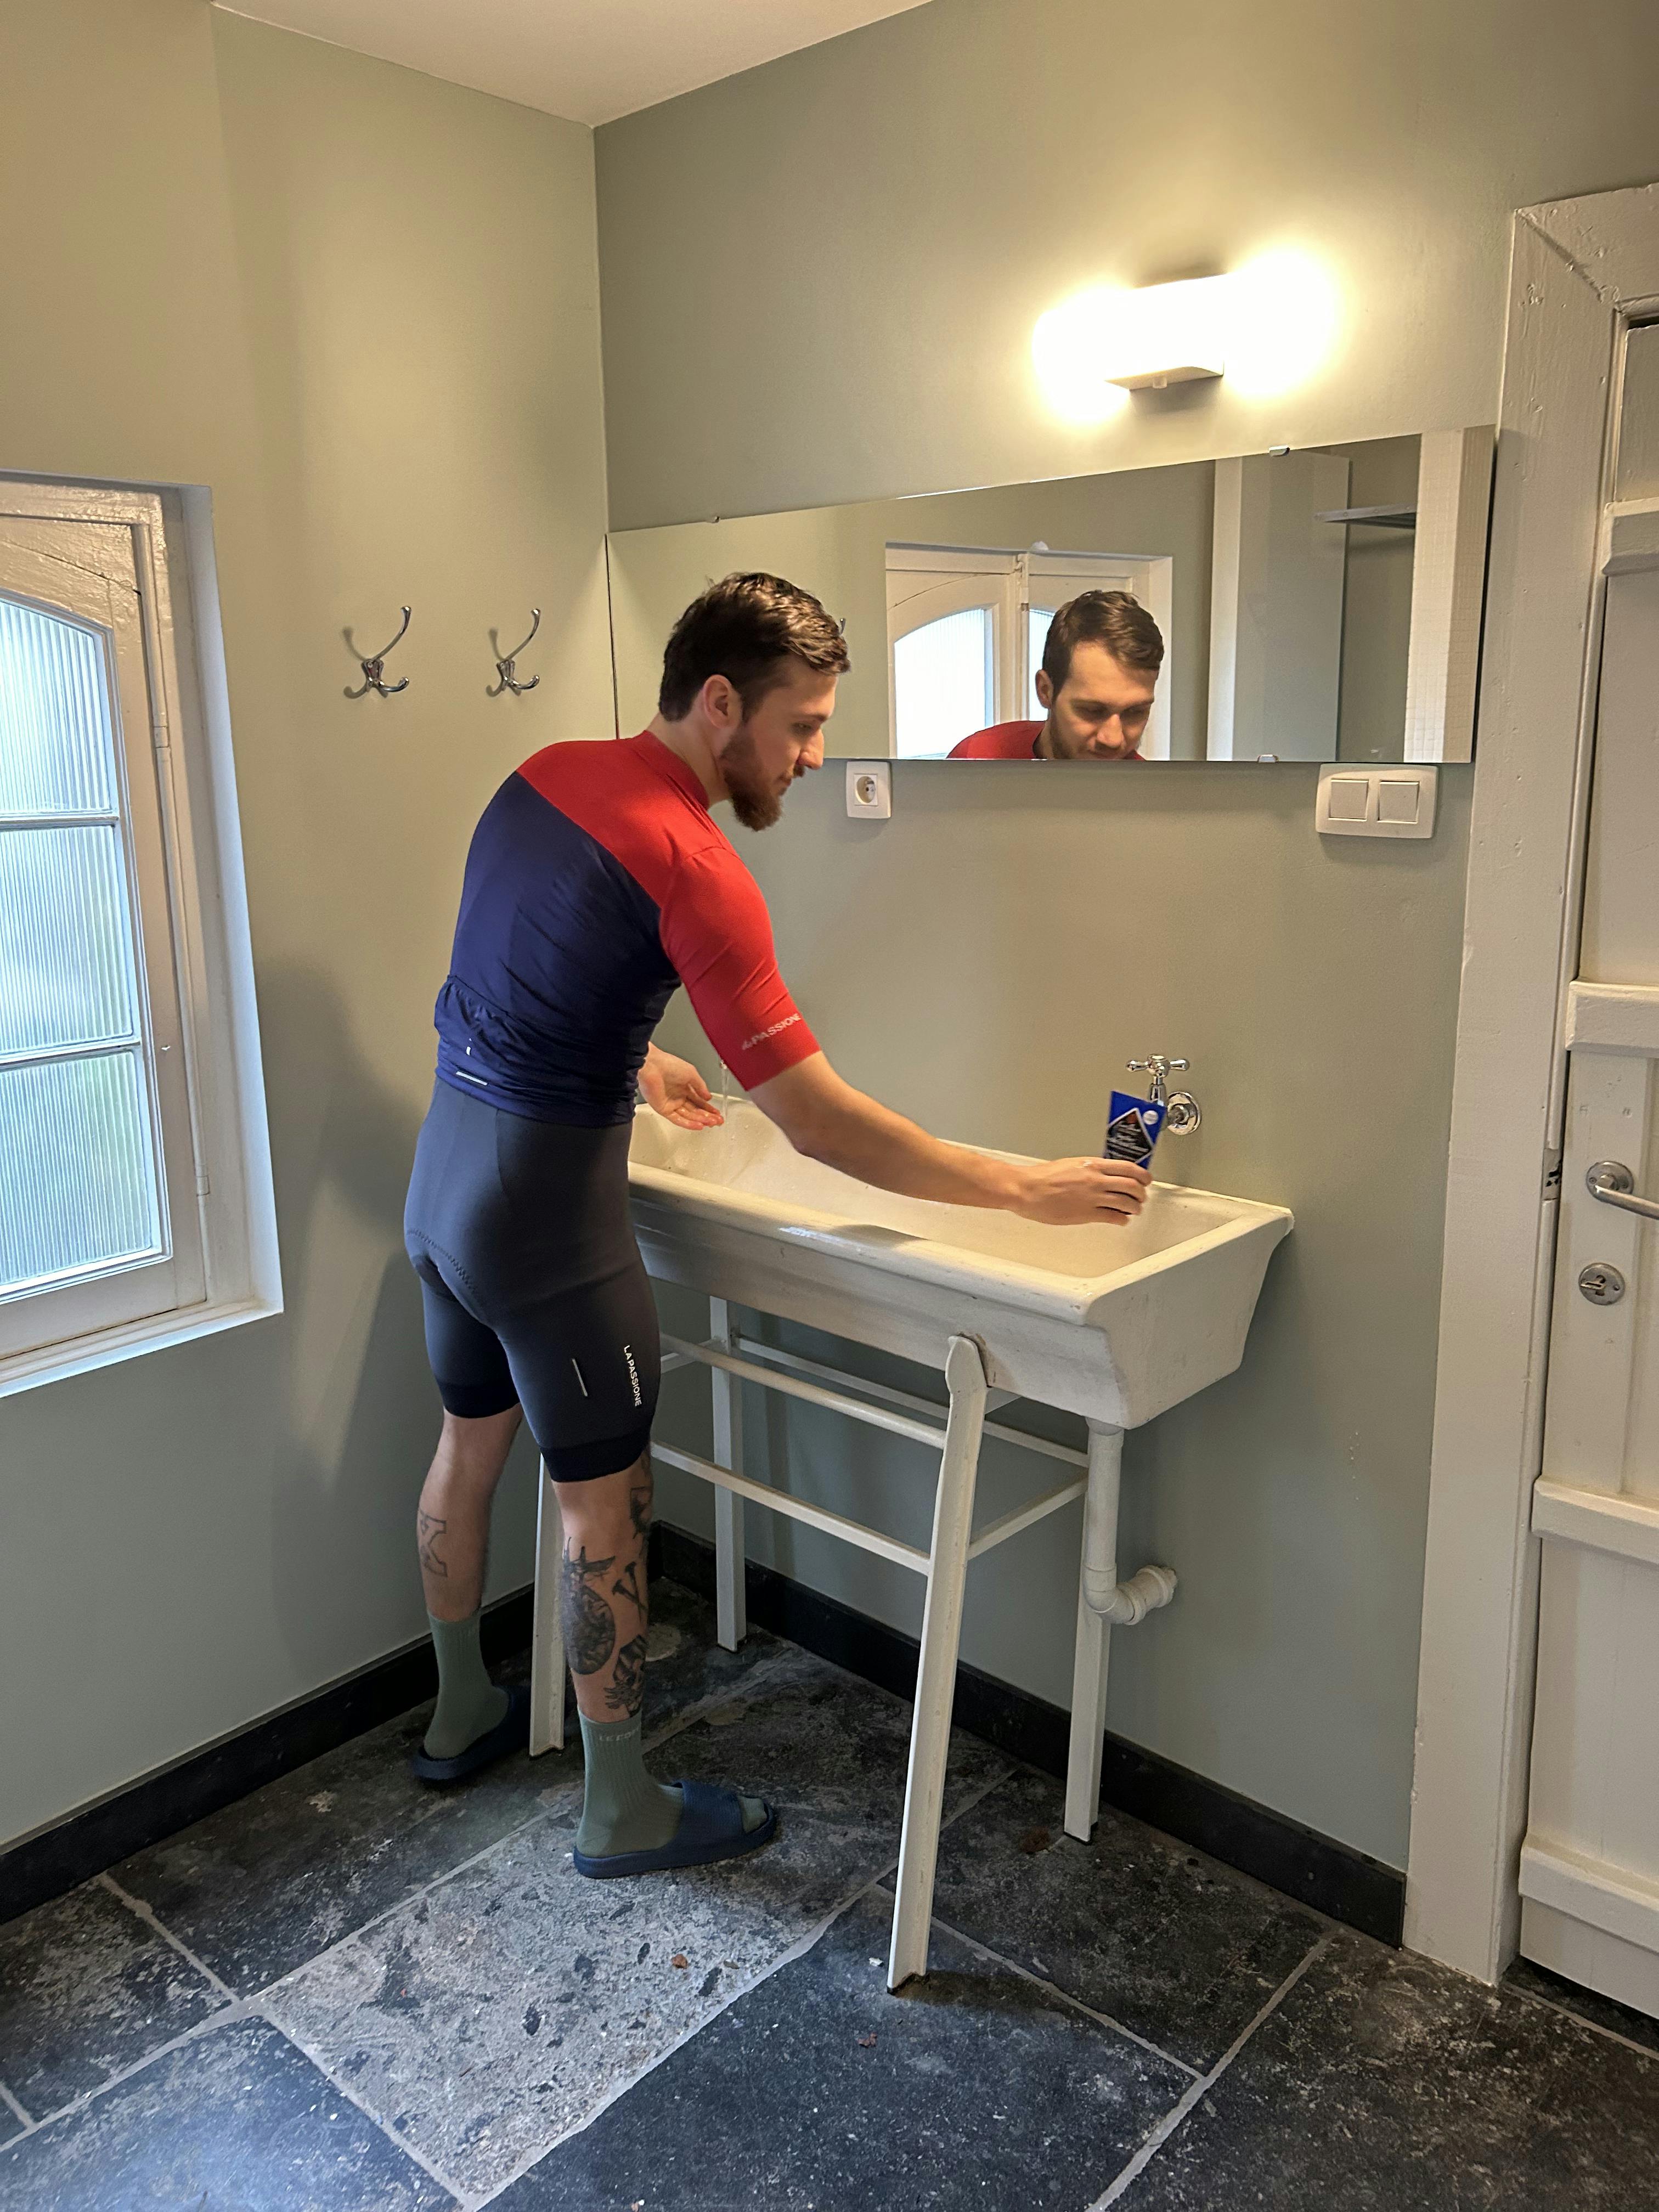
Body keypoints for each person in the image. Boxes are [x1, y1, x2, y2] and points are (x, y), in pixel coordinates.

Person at [402, 571, 1152, 1879]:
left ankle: (460, 1711)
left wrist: (636, 1060)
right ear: (716, 703)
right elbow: (821, 1126)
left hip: (446, 1187)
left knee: (469, 1449)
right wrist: (1024, 1187)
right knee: (603, 1515)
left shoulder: (542, 777)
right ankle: (620, 1806)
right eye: (802, 726)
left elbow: (499, 982)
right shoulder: (698, 863)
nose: (814, 756)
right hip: (547, 1225)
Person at [949, 588, 1163, 760]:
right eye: (1092, 710)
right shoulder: (975, 760)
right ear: (1045, 691)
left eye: (1135, 712)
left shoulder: (1152, 800)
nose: (1113, 740)